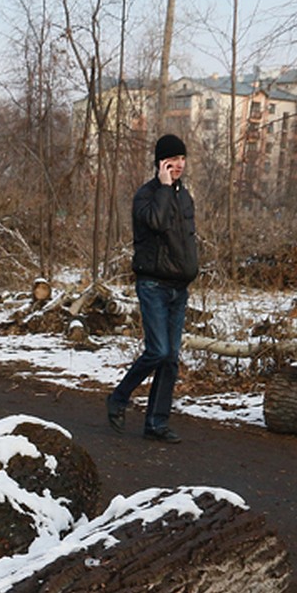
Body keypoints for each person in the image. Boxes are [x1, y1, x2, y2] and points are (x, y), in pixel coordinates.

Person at [106, 132, 199, 443]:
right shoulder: (146, 195)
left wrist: (190, 270)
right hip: (153, 285)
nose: (180, 165)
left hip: (178, 287)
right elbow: (157, 223)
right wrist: (163, 187)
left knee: (171, 358)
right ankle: (119, 398)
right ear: (161, 162)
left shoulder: (185, 196)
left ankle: (156, 423)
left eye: (183, 159)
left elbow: (186, 240)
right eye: (174, 159)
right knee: (157, 351)